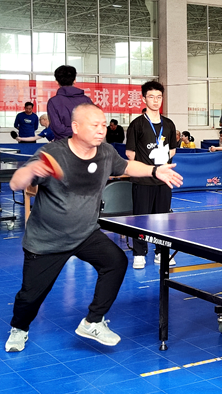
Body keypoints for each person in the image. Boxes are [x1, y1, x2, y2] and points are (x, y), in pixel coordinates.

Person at [5, 103, 182, 353]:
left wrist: (154, 171)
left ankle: (93, 321)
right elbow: (16, 183)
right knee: (30, 295)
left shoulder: (106, 152)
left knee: (116, 262)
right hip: (47, 239)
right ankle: (19, 328)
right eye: (95, 125)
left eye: (103, 125)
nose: (101, 130)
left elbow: (127, 166)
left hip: (85, 233)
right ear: (76, 128)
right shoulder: (53, 153)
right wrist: (30, 170)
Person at [125, 81, 178, 270]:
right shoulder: (137, 125)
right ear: (144, 99)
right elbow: (130, 153)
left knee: (163, 219)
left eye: (159, 97)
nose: (156, 101)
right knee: (141, 219)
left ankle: (161, 252)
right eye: (151, 97)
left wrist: (162, 163)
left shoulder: (169, 124)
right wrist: (147, 168)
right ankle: (139, 253)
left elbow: (172, 149)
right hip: (143, 181)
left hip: (164, 180)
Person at [46, 65, 93, 140]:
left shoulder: (53, 102)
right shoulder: (87, 100)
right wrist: (81, 131)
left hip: (63, 144)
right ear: (75, 80)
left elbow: (57, 128)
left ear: (56, 82)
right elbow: (93, 124)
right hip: (85, 142)